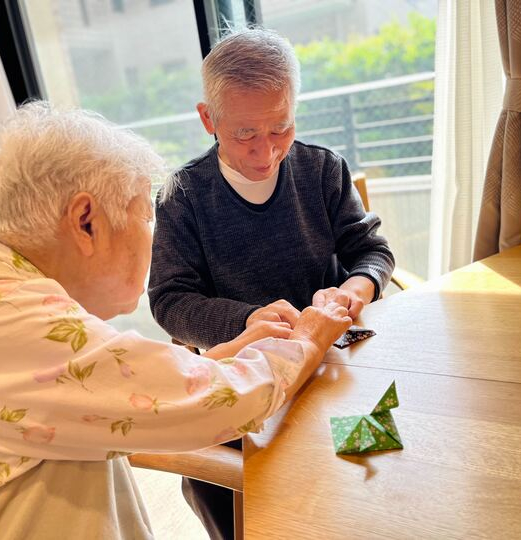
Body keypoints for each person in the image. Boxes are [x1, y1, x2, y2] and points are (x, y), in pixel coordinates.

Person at [0, 102, 352, 538]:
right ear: (86, 221)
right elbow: (229, 405)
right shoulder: (18, 324)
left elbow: (114, 389)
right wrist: (309, 337)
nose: (151, 236)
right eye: (145, 216)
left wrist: (229, 353)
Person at [148, 28, 395, 538]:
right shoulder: (183, 195)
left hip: (333, 360)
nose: (266, 151)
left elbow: (372, 251)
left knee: (377, 469)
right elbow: (169, 300)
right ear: (208, 120)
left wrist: (354, 290)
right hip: (243, 371)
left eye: (280, 128)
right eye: (245, 134)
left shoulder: (321, 168)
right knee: (220, 487)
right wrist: (247, 320)